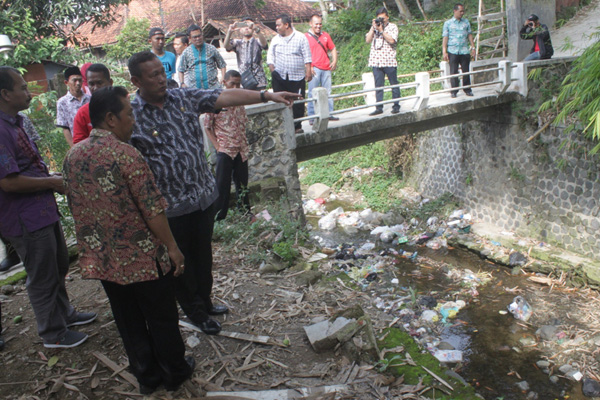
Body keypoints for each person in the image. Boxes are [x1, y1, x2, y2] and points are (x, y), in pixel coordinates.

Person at [128, 51, 300, 335]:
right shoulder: (131, 115)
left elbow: (225, 97)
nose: (162, 78)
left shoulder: (183, 98)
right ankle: (195, 312)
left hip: (202, 198)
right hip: (170, 206)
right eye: (154, 75)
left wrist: (266, 95)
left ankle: (205, 302)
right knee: (181, 265)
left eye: (162, 72)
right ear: (136, 80)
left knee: (203, 258)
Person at [63, 86, 194, 395]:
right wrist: (173, 248)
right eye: (129, 113)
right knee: (161, 317)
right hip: (143, 258)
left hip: (104, 260)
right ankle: (174, 371)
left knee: (127, 319)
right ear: (111, 119)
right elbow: (152, 210)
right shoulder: (126, 154)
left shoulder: (73, 156)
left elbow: (76, 206)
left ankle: (147, 377)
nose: (134, 120)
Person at [0, 66, 96, 349]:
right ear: (5, 94)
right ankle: (52, 332)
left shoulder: (15, 123)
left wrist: (50, 181)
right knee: (41, 274)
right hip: (25, 216)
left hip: (41, 208)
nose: (29, 93)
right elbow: (8, 183)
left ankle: (65, 314)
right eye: (22, 88)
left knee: (57, 264)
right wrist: (52, 183)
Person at [204, 70, 251, 221]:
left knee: (242, 183)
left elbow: (243, 123)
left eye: (238, 84)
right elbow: (207, 126)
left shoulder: (240, 101)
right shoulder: (216, 101)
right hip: (225, 149)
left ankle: (245, 212)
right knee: (222, 186)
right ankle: (219, 217)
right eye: (232, 84)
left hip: (241, 148)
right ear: (224, 82)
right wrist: (217, 146)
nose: (235, 87)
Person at [267, 14, 312, 133]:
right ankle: (283, 126)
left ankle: (297, 126)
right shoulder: (275, 39)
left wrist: (308, 71)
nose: (276, 27)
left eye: (278, 25)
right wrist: (273, 70)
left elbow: (307, 55)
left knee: (297, 100)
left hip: (297, 76)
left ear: (286, 25)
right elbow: (270, 56)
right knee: (281, 100)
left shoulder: (300, 37)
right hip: (280, 76)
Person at [366, 7, 400, 116]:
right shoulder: (375, 28)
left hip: (389, 60)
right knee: (378, 86)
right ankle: (379, 107)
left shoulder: (393, 27)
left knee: (393, 84)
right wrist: (373, 28)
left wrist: (382, 31)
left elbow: (392, 40)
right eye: (379, 18)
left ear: (387, 17)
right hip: (376, 61)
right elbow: (367, 40)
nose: (381, 21)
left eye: (383, 19)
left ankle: (396, 105)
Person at [305, 14, 338, 123]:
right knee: (312, 93)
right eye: (316, 24)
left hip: (326, 67)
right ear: (311, 24)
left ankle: (329, 113)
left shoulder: (326, 35)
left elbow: (333, 48)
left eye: (320, 24)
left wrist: (334, 61)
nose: (318, 26)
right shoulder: (305, 37)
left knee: (328, 92)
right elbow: (303, 53)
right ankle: (312, 117)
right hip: (314, 69)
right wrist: (308, 67)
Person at [72, 63, 113, 144]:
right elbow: (79, 144)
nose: (95, 87)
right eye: (91, 84)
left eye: (99, 83)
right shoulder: (82, 113)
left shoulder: (122, 106)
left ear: (110, 82)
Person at [224, 17, 268, 90]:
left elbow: (264, 44)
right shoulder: (237, 43)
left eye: (249, 26)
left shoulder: (257, 41)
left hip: (259, 80)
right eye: (244, 26)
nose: (247, 28)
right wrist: (229, 32)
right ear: (240, 29)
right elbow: (226, 46)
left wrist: (257, 30)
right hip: (244, 80)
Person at [442, 3, 475, 98]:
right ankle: (454, 91)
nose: (462, 13)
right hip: (453, 50)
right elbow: (445, 38)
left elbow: (469, 35)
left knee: (466, 71)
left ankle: (467, 89)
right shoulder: (448, 23)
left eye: (463, 11)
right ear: (455, 11)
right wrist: (444, 51)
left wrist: (473, 47)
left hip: (464, 50)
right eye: (460, 11)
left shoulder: (466, 22)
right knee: (453, 71)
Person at [178, 25, 226, 89]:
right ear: (190, 38)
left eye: (199, 36)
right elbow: (181, 69)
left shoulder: (212, 49)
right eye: (195, 37)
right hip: (194, 90)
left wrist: (223, 78)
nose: (198, 39)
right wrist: (182, 83)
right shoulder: (186, 52)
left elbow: (222, 65)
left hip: (212, 88)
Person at [56, 66, 90, 147]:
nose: (78, 83)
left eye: (80, 80)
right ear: (66, 82)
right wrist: (73, 147)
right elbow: (65, 128)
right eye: (74, 80)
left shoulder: (90, 99)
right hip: (78, 143)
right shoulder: (62, 102)